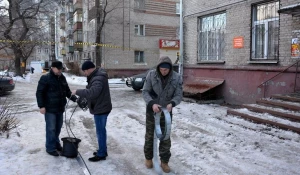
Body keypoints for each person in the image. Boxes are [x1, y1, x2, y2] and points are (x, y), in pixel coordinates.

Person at [142, 56, 183, 173]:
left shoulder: (176, 77)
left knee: (165, 137)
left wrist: (172, 103)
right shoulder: (151, 75)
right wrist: (152, 104)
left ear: (170, 69)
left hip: (166, 112)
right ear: (158, 67)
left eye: (166, 69)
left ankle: (164, 161)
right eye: (161, 69)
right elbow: (145, 92)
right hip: (152, 110)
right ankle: (148, 158)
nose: (163, 71)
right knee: (150, 135)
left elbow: (179, 95)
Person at [71, 60, 112, 162]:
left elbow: (93, 92)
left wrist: (77, 91)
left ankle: (102, 154)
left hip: (101, 109)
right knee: (101, 131)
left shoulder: (98, 78)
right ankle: (103, 150)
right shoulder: (96, 76)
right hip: (100, 107)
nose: (85, 73)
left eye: (85, 71)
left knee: (100, 131)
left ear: (89, 69)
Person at [36, 61, 77, 156]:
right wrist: (41, 106)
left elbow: (67, 91)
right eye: (58, 69)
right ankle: (50, 148)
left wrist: (75, 99)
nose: (60, 71)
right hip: (50, 109)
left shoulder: (62, 78)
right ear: (52, 68)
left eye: (61, 69)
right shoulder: (45, 78)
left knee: (58, 128)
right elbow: (39, 93)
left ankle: (56, 143)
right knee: (51, 129)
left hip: (60, 108)